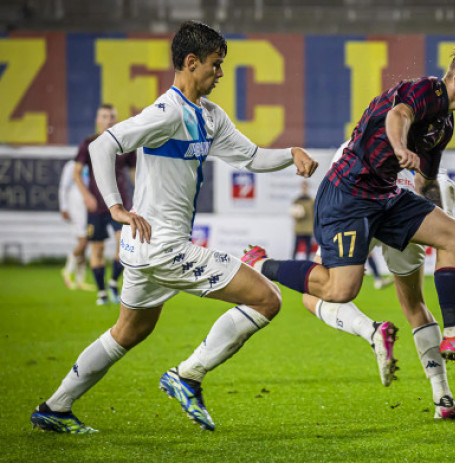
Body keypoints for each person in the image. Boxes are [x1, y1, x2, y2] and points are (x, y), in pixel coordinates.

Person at [30, 20, 318, 434]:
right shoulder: (166, 112)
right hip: (163, 246)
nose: (220, 73)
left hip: (143, 247)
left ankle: (55, 408)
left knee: (129, 331)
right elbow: (102, 145)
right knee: (267, 298)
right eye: (216, 65)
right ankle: (188, 376)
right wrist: (115, 206)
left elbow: (251, 158)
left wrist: (291, 154)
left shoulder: (209, 116)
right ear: (190, 62)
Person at [242, 37, 455, 417]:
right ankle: (260, 264)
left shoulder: (443, 125)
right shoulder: (426, 90)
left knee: (454, 234)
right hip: (348, 195)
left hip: (387, 197)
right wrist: (399, 148)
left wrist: (445, 242)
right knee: (340, 288)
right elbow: (397, 116)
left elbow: (426, 183)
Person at [74, 104, 137, 305]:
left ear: (116, 119)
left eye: (112, 116)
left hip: (121, 204)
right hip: (97, 206)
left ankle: (112, 282)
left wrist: (141, 197)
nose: (108, 120)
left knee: (124, 247)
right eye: (104, 116)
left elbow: (135, 174)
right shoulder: (89, 144)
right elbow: (77, 172)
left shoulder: (125, 143)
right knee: (97, 249)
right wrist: (86, 195)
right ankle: (102, 293)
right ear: (97, 119)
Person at [58, 159, 92, 290]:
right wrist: (64, 207)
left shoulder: (92, 164)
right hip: (75, 206)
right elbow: (64, 187)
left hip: (87, 207)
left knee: (86, 242)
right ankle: (67, 271)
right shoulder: (72, 165)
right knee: (83, 241)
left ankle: (80, 281)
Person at [290, 180, 315, 260]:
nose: (304, 188)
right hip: (299, 228)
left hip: (308, 228)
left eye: (305, 186)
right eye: (303, 186)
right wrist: (297, 214)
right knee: (296, 248)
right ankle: (292, 263)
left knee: (308, 249)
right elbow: (293, 214)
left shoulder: (312, 201)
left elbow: (314, 214)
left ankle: (307, 265)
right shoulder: (297, 200)